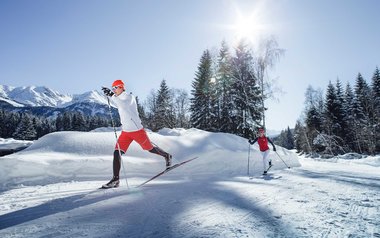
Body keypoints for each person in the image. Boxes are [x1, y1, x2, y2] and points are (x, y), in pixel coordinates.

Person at [101, 79, 172, 188]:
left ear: (122, 87)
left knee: (150, 149)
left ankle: (167, 156)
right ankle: (116, 180)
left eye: (116, 87)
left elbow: (123, 106)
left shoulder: (129, 97)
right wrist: (110, 96)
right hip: (126, 132)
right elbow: (118, 103)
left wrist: (111, 95)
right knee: (116, 153)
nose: (114, 90)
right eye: (112, 88)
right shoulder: (118, 99)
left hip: (137, 131)